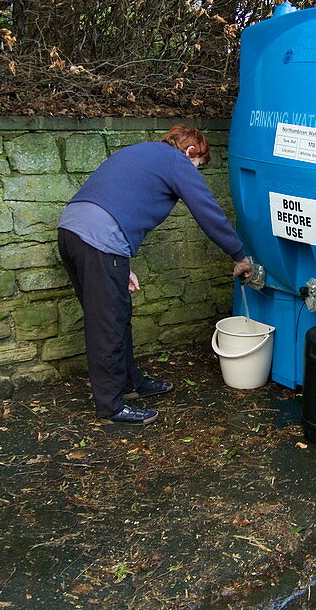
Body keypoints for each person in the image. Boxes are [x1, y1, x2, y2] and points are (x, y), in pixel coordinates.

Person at [57, 125, 252, 425]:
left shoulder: (142, 151)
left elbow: (118, 200)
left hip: (74, 231)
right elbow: (207, 210)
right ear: (190, 152)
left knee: (117, 313)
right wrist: (238, 254)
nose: (196, 170)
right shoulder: (176, 161)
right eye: (199, 164)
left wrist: (120, 261)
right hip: (99, 239)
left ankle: (130, 382)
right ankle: (110, 406)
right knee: (107, 323)